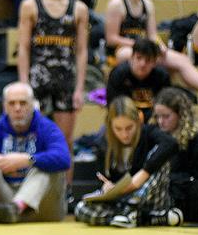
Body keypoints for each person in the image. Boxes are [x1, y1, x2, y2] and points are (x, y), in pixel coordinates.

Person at [0, 82, 71, 224]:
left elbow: (64, 158)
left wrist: (27, 159)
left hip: (43, 207)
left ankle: (17, 207)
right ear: (5, 107)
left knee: (48, 166)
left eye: (23, 103)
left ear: (33, 105)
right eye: (12, 103)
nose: (17, 108)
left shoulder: (47, 128)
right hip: (5, 206)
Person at [104, 0, 198, 102]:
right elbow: (111, 39)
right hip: (122, 48)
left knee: (181, 59)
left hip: (145, 47)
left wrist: (161, 46)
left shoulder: (148, 4)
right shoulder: (117, 3)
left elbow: (152, 35)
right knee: (127, 55)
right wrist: (138, 45)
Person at [17, 0, 89, 151]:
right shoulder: (30, 5)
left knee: (64, 143)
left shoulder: (79, 8)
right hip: (37, 79)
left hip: (66, 79)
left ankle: (66, 184)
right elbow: (22, 47)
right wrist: (24, 85)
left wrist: (79, 89)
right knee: (31, 141)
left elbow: (82, 51)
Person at [74, 95, 180, 227]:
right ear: (110, 126)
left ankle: (130, 213)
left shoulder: (147, 133)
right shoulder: (103, 144)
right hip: (122, 199)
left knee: (160, 159)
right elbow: (105, 179)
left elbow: (171, 144)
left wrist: (142, 175)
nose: (124, 134)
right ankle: (140, 218)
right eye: (118, 129)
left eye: (129, 128)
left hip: (147, 195)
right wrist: (108, 187)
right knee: (81, 208)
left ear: (138, 122)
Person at [152, 87, 198, 223]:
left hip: (185, 196)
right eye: (157, 116)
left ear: (180, 114)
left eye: (166, 116)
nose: (160, 122)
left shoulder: (196, 139)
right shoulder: (154, 136)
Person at [106, 38, 172, 121]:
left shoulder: (162, 77)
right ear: (131, 58)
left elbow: (166, 107)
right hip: (125, 121)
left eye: (148, 60)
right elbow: (113, 106)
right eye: (139, 58)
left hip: (154, 122)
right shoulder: (118, 74)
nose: (142, 64)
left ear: (154, 62)